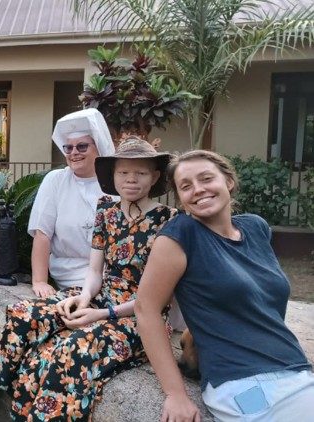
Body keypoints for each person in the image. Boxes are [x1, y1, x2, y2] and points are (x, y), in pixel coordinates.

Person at [0, 137, 177, 421]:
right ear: (113, 175)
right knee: (25, 315)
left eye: (141, 172)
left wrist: (100, 313)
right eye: (124, 172)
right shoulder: (106, 211)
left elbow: (156, 298)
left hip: (140, 315)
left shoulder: (168, 220)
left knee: (72, 348)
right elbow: (95, 271)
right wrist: (83, 298)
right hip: (100, 296)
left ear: (155, 176)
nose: (131, 179)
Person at [134, 150, 314, 422]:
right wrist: (176, 394)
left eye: (206, 178)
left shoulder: (256, 228)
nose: (198, 190)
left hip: (297, 371)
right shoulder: (180, 234)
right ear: (181, 199)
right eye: (186, 186)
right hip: (245, 384)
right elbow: (146, 309)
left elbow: (263, 302)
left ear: (228, 181)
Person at [28, 108, 116, 297]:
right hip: (69, 277)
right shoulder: (55, 180)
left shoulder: (116, 183)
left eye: (82, 146)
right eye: (68, 147)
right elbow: (42, 234)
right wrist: (40, 281)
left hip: (111, 276)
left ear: (98, 146)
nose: (74, 152)